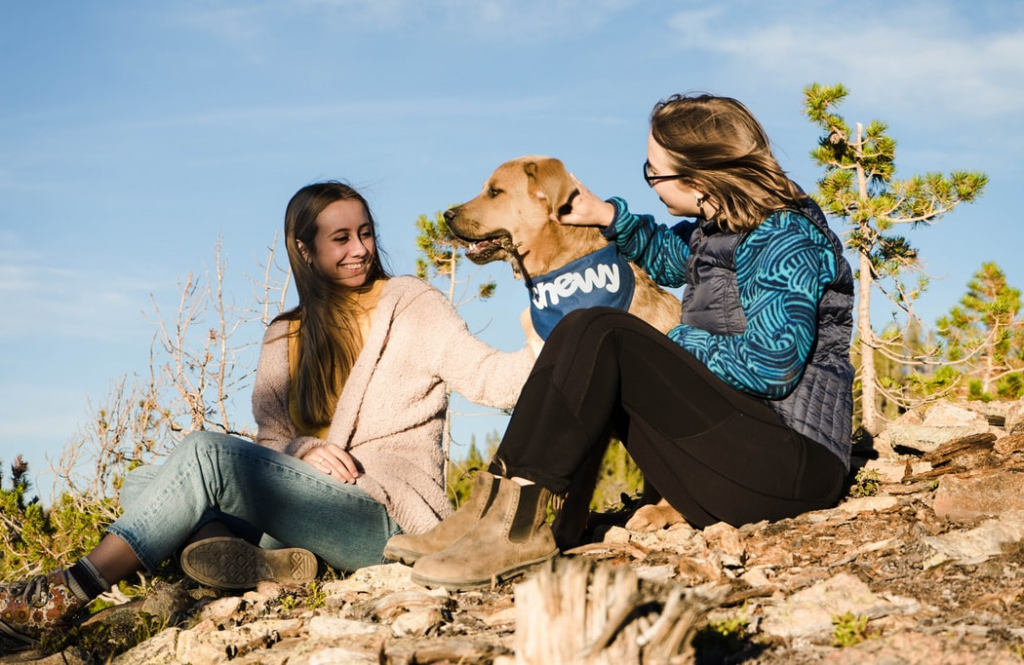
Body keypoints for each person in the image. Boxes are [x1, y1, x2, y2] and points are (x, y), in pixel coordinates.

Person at [0, 182, 534, 650]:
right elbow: (273, 439)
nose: (360, 250)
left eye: (365, 233)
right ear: (305, 249)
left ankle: (69, 591)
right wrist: (304, 451)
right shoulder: (286, 332)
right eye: (341, 238)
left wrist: (543, 333)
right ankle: (265, 566)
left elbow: (492, 379)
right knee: (144, 479)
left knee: (203, 455)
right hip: (298, 516)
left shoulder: (411, 303)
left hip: (381, 513)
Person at [389, 93, 856, 590]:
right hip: (734, 458)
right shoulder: (718, 229)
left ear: (699, 178)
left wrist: (669, 340)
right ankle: (499, 512)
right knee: (588, 329)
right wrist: (606, 216)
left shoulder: (787, 237)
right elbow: (668, 257)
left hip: (789, 469)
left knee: (601, 329)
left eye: (654, 173)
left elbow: (771, 366)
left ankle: (515, 530)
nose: (649, 183)